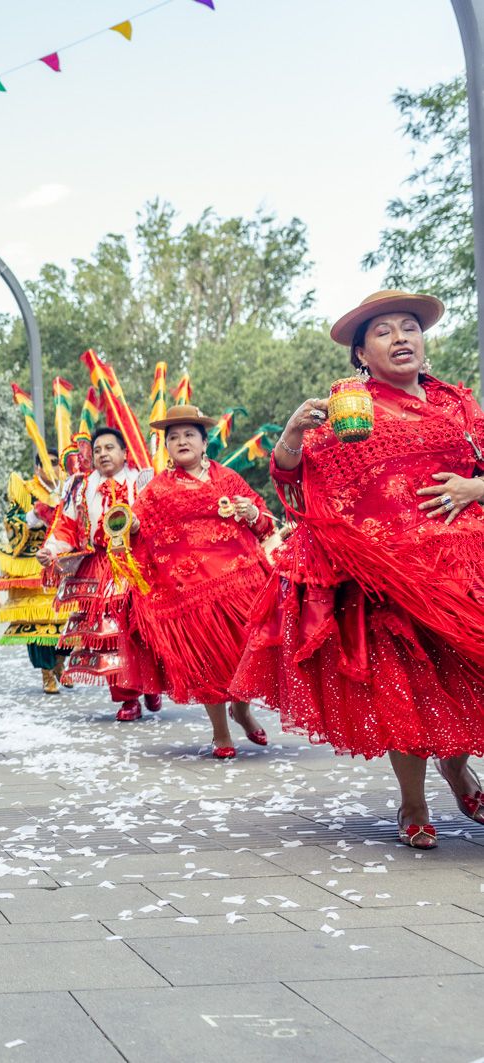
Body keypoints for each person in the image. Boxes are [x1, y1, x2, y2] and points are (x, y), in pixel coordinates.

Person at [233, 290, 484, 847]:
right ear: (361, 354)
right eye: (384, 331)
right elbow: (297, 480)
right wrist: (293, 435)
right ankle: (414, 804)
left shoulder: (459, 406)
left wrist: (475, 486)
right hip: (385, 572)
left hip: (464, 570)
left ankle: (458, 767)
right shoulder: (350, 409)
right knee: (409, 690)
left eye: (410, 327)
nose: (401, 338)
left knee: (469, 681)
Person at [119, 405, 272, 758]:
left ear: (205, 443)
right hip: (189, 593)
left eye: (189, 435)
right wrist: (128, 524)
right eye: (173, 437)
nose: (181, 441)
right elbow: (136, 528)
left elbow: (262, 521)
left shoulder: (229, 479)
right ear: (167, 447)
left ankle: (243, 711)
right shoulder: (157, 490)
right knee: (208, 661)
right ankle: (221, 732)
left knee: (247, 653)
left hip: (242, 584)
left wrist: (253, 513)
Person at [38, 426, 162, 720]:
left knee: (145, 631)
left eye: (109, 448)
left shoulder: (142, 483)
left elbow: (159, 522)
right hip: (99, 569)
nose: (103, 454)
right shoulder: (81, 488)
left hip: (137, 565)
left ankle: (152, 686)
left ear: (124, 453)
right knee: (108, 636)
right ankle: (127, 698)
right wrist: (51, 551)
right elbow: (66, 527)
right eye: (97, 450)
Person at [0, 457, 74, 695]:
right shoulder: (26, 490)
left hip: (63, 559)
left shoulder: (68, 487)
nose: (51, 468)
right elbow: (11, 520)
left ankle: (61, 663)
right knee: (39, 621)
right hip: (32, 560)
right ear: (37, 467)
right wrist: (31, 520)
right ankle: (46, 672)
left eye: (55, 462)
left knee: (68, 617)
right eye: (46, 462)